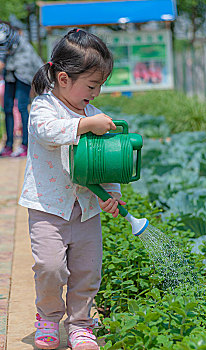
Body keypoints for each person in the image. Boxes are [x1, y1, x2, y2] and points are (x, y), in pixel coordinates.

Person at [18, 28, 126, 350]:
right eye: (92, 85)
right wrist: (84, 125)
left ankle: (80, 323)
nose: (96, 92)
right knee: (50, 266)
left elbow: (106, 160)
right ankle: (48, 319)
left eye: (100, 85)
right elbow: (48, 132)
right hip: (48, 207)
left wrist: (112, 193)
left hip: (87, 210)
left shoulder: (93, 114)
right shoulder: (44, 108)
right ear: (63, 79)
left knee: (87, 269)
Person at [0, 21, 43, 157]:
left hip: (24, 66)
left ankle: (26, 144)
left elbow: (0, 62)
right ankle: (8, 145)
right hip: (10, 67)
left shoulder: (2, 30)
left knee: (22, 107)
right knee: (7, 107)